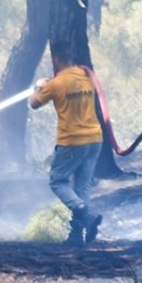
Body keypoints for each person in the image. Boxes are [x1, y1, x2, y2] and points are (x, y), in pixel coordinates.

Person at [30, 45, 104, 246]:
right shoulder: (85, 76)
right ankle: (76, 236)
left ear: (55, 58)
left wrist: (39, 85)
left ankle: (84, 212)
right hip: (95, 139)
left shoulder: (56, 83)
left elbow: (34, 103)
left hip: (73, 141)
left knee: (57, 181)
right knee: (82, 188)